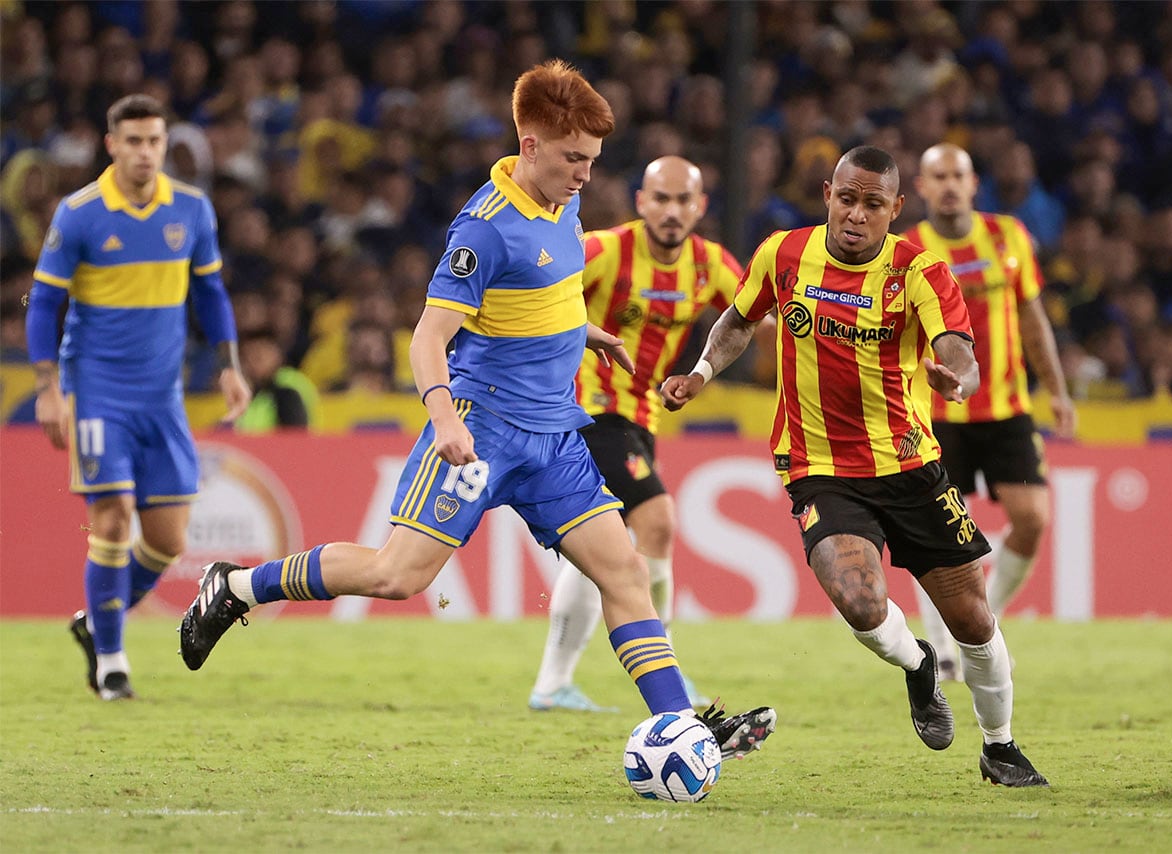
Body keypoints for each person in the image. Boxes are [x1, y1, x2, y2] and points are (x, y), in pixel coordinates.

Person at [178, 61, 775, 757]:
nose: (586, 175)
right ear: (531, 147)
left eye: (592, 160)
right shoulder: (484, 230)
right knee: (394, 576)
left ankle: (679, 723)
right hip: (482, 428)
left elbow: (538, 290)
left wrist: (580, 331)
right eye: (574, 159)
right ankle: (236, 586)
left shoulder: (564, 203)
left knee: (625, 570)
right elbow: (428, 337)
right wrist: (444, 419)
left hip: (555, 435)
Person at [661, 145, 1049, 787]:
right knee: (861, 602)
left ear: (895, 209)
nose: (856, 215)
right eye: (847, 199)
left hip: (909, 465)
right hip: (818, 465)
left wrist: (957, 379)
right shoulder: (782, 254)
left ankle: (999, 745)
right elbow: (737, 320)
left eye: (873, 205)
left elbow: (959, 351)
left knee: (974, 618)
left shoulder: (922, 272)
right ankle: (920, 665)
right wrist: (701, 372)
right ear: (828, 195)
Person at [26, 94, 252, 701]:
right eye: (133, 142)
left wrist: (229, 365)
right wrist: (49, 387)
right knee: (114, 516)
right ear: (111, 145)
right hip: (98, 391)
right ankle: (111, 660)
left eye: (154, 141)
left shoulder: (191, 210)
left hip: (163, 395)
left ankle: (94, 623)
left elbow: (211, 295)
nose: (145, 153)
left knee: (170, 541)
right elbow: (44, 302)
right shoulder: (80, 214)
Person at [528, 155, 747, 712]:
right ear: (641, 202)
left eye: (684, 201)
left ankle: (553, 684)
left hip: (641, 419)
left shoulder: (709, 265)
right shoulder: (607, 251)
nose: (672, 211)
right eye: (661, 199)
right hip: (588, 412)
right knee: (657, 520)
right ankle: (667, 665)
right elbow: (541, 290)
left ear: (700, 207)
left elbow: (755, 313)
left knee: (596, 546)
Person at [903, 143, 1077, 681]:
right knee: (932, 536)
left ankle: (985, 618)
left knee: (1032, 519)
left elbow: (1031, 316)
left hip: (1005, 408)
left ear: (974, 183)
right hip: (934, 414)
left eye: (958, 174)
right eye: (939, 176)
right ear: (924, 187)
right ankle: (943, 646)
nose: (950, 184)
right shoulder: (906, 250)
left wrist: (1057, 388)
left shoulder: (1009, 237)